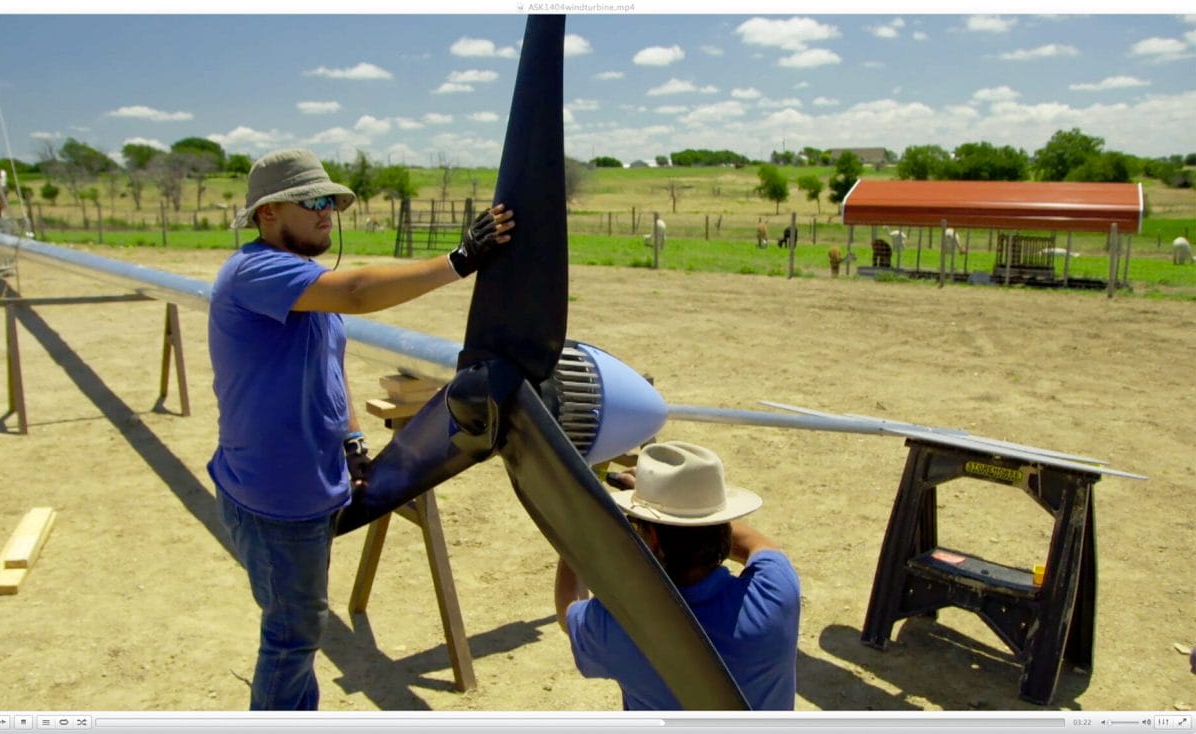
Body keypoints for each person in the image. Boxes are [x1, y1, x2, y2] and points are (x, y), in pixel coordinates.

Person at [207, 148, 514, 710]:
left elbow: (327, 369)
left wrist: (350, 439)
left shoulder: (306, 284)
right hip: (277, 499)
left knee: (297, 626)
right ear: (268, 213)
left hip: (306, 486)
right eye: (312, 202)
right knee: (292, 637)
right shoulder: (255, 271)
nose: (328, 212)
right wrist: (460, 260)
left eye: (331, 201)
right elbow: (358, 292)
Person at [555, 441, 801, 710]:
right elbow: (757, 544)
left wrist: (578, 524)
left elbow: (568, 608)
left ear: (653, 538)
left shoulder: (619, 626)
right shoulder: (776, 592)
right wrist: (692, 506)